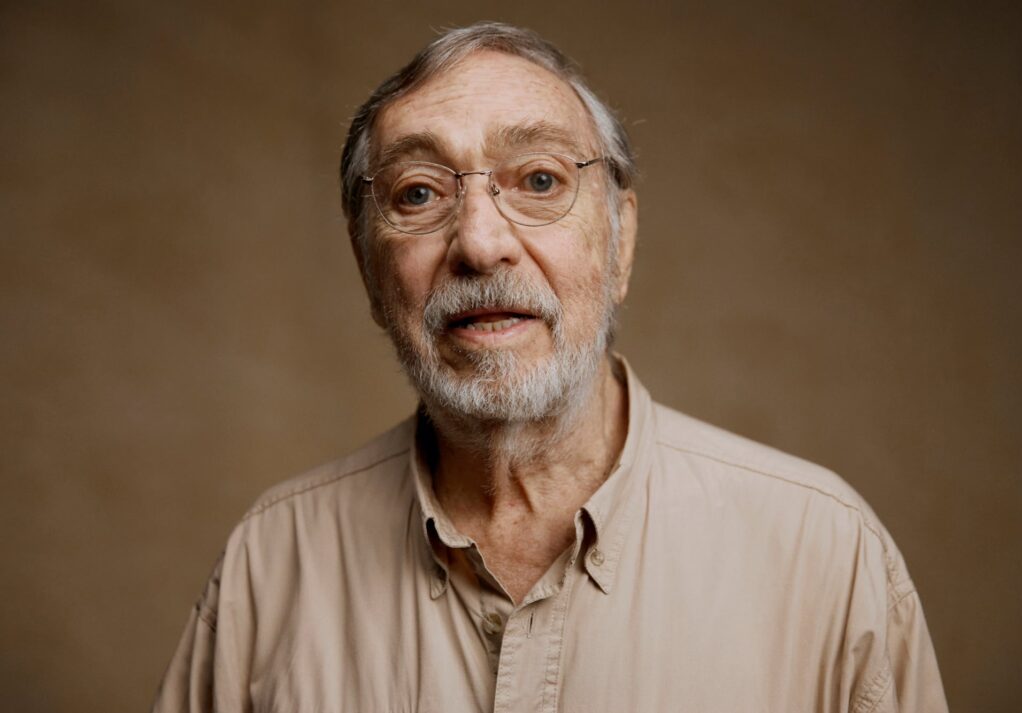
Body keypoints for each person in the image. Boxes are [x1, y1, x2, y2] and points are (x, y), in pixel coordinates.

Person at [154, 22, 948, 713]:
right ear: (370, 270)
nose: (478, 243)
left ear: (621, 238)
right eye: (419, 191)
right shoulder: (270, 564)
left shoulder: (824, 553)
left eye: (538, 180)